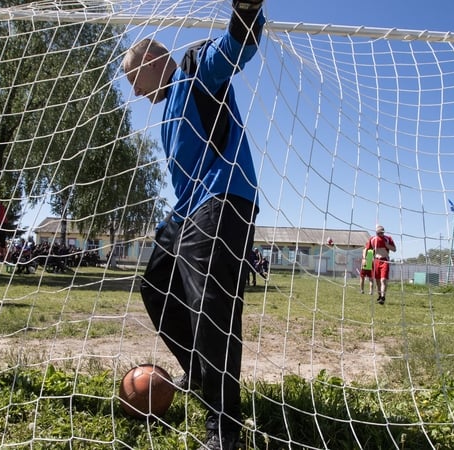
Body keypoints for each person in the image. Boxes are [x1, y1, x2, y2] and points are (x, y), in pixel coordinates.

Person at [122, 1, 264, 448]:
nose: (135, 92)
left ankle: (224, 433)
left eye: (133, 80)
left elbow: (235, 48)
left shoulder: (194, 67)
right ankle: (203, 373)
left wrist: (247, 10)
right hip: (187, 209)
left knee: (212, 311)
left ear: (151, 59)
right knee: (155, 285)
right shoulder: (167, 112)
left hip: (223, 199)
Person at [365, 224, 396, 305]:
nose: (381, 234)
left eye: (382, 232)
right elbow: (368, 250)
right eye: (379, 233)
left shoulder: (388, 239)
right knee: (377, 281)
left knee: (383, 280)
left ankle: (383, 296)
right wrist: (367, 261)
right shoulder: (372, 239)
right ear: (376, 232)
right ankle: (379, 296)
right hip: (376, 261)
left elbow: (394, 249)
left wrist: (387, 245)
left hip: (385, 261)